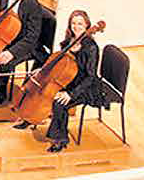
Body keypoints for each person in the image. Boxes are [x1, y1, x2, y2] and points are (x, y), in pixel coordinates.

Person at [15, 10, 105, 153]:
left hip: (83, 86)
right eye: (73, 23)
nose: (76, 27)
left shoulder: (91, 48)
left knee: (59, 103)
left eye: (80, 24)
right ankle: (30, 116)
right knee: (36, 83)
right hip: (66, 78)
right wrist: (43, 70)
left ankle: (60, 139)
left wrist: (70, 94)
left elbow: (90, 77)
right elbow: (58, 61)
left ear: (87, 25)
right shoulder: (69, 41)